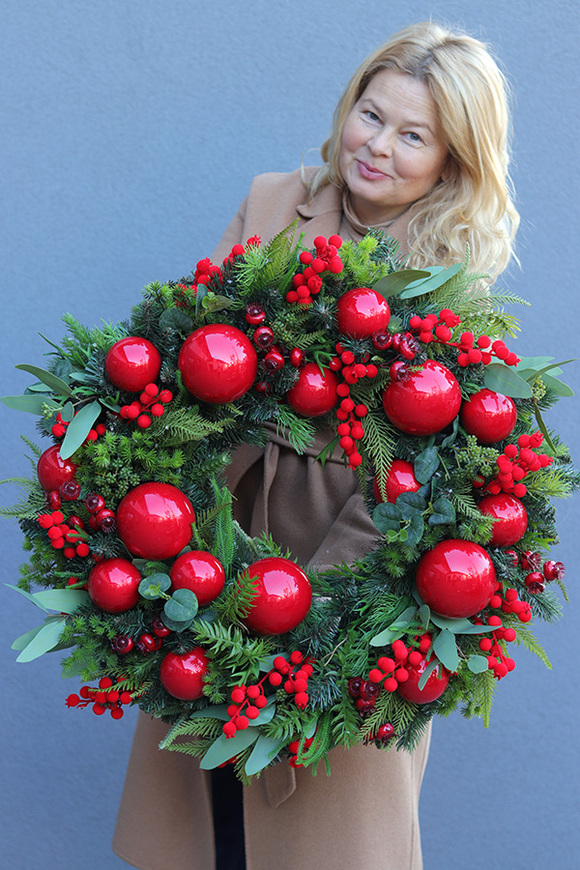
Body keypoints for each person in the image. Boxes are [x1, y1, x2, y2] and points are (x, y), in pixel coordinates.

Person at [113, 21, 519, 870]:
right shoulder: (273, 202)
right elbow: (199, 353)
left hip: (349, 583)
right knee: (210, 822)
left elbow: (427, 484)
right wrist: (198, 545)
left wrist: (316, 617)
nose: (377, 147)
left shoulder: (451, 284)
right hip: (217, 557)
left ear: (451, 160)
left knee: (321, 835)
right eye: (371, 116)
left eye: (414, 136)